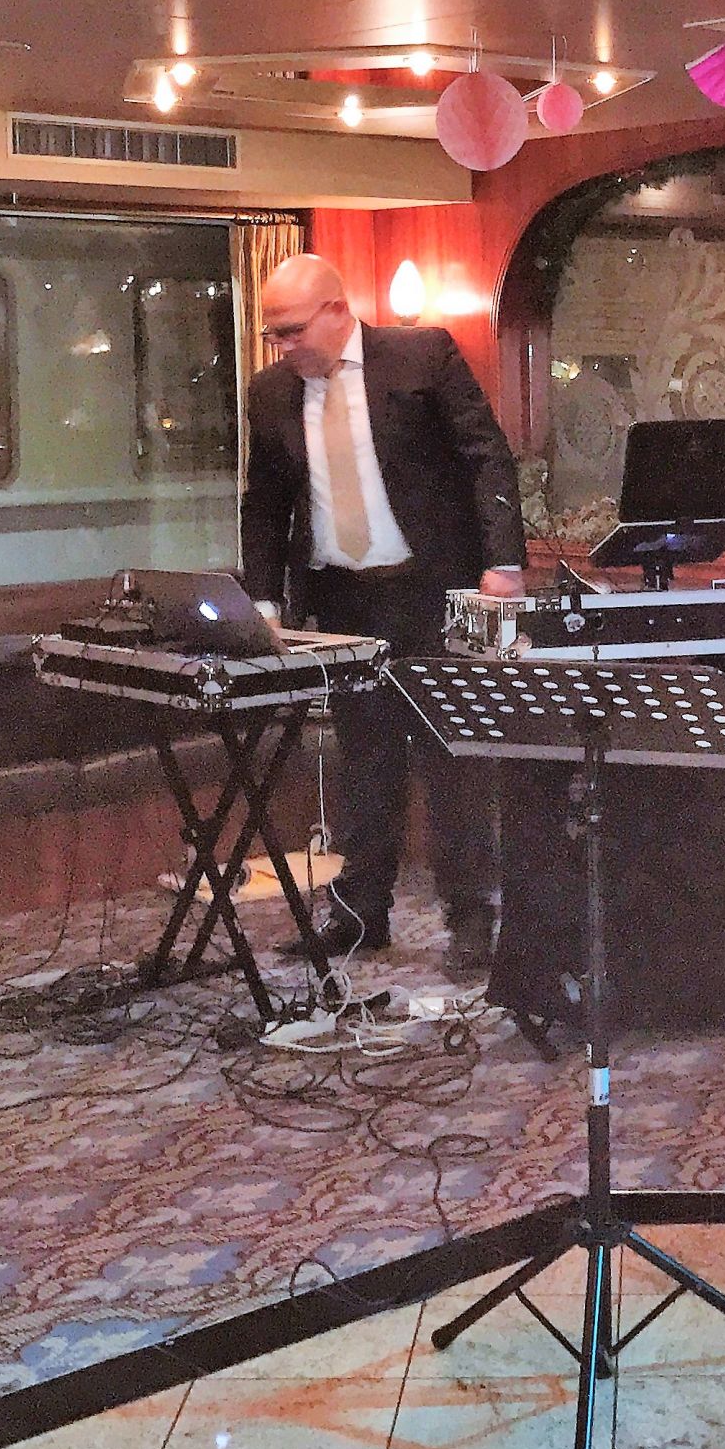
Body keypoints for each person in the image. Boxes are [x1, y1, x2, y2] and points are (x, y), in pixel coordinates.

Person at [239, 255, 524, 977]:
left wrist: (504, 562)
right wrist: (264, 601)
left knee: (455, 760)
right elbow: (264, 505)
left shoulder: (421, 356)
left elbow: (487, 458)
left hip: (441, 591)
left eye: (292, 330)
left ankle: (472, 919)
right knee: (364, 762)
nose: (282, 346)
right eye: (273, 334)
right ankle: (358, 915)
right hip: (343, 601)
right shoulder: (270, 394)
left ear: (337, 311)